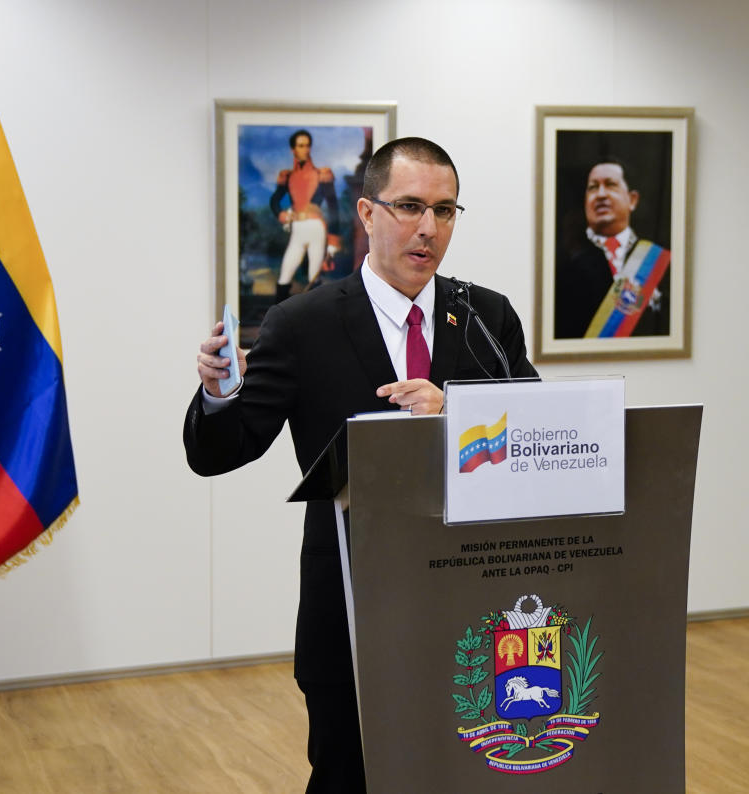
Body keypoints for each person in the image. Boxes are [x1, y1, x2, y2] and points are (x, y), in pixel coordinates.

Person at [185, 137, 538, 793]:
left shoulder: (486, 317)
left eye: (445, 210)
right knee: (349, 776)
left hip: (475, 604)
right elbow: (222, 451)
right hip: (350, 608)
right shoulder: (300, 323)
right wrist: (218, 393)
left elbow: (539, 437)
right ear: (368, 213)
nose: (428, 228)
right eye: (409, 206)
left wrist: (456, 410)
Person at [555, 158, 671, 339]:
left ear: (632, 200)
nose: (601, 194)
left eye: (610, 185)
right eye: (593, 187)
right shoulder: (569, 260)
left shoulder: (656, 260)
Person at [270, 130, 340, 303]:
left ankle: (314, 326)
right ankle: (277, 324)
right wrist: (282, 214)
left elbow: (333, 207)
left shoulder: (321, 174)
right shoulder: (288, 176)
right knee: (285, 275)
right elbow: (274, 200)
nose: (306, 150)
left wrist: (333, 242)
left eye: (308, 145)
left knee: (313, 279)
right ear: (293, 150)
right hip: (298, 230)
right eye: (301, 146)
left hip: (317, 229)